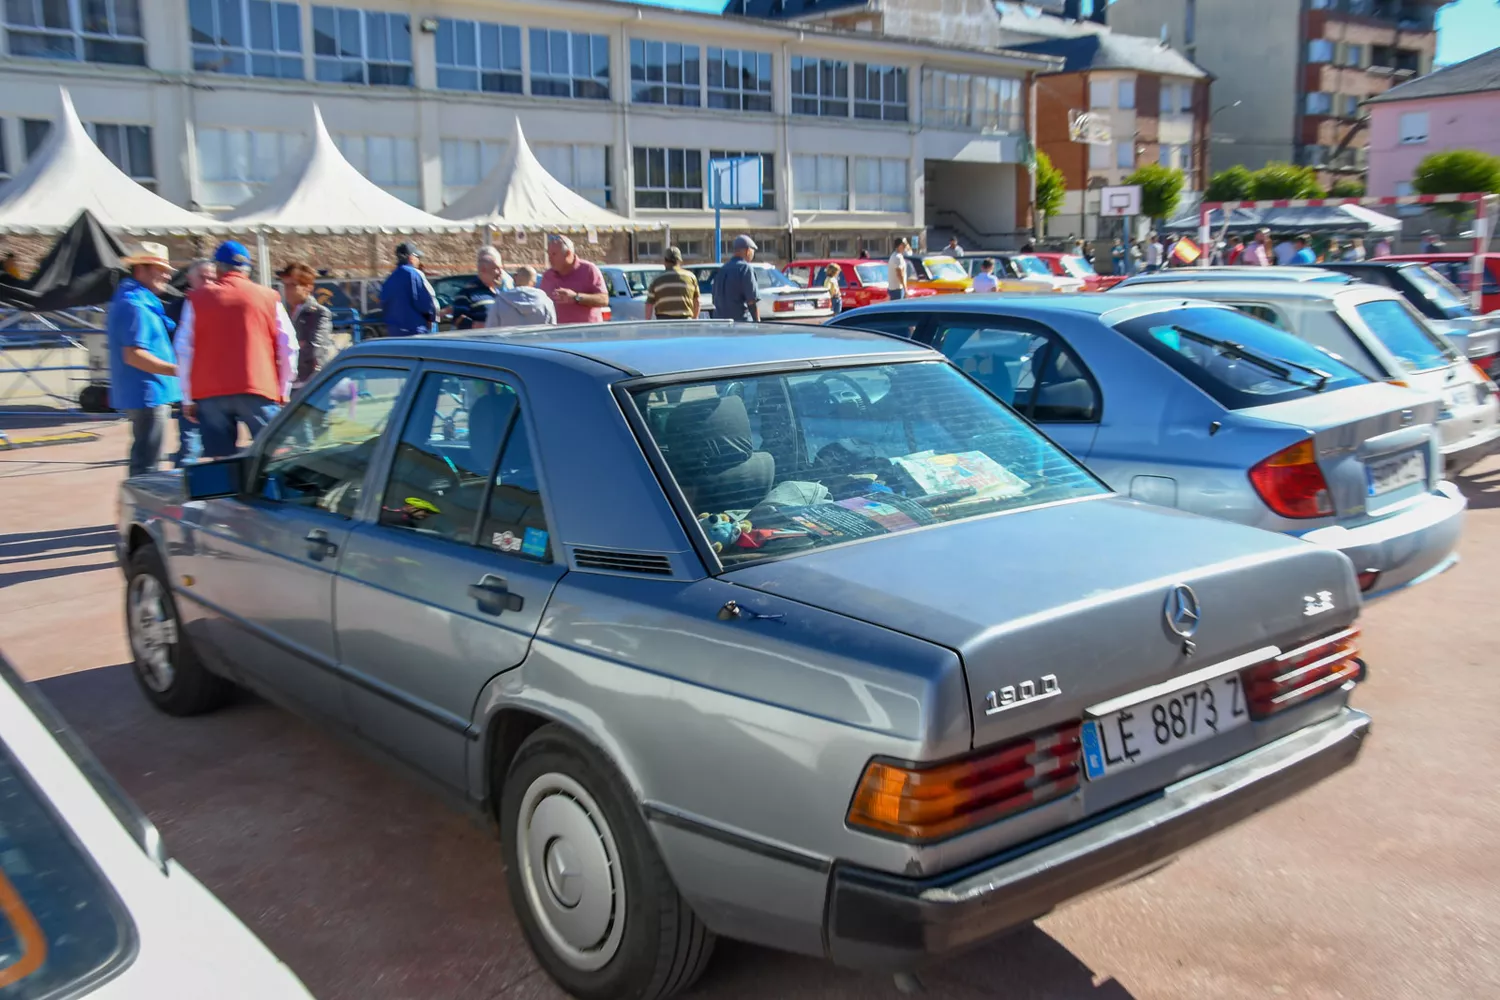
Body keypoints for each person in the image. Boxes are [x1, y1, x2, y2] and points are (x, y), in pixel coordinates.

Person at [177, 240, 296, 459]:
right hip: (258, 386)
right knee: (273, 456)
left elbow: (184, 349)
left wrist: (187, 397)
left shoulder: (197, 299)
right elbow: (289, 346)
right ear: (247, 268)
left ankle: (227, 492)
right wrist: (283, 390)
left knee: (221, 461)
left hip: (210, 391)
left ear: (218, 268)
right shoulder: (269, 297)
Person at [106, 242, 179, 477]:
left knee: (146, 460)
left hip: (149, 392)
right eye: (161, 269)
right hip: (148, 394)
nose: (167, 275)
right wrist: (178, 371)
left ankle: (142, 509)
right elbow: (134, 355)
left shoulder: (136, 301)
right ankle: (143, 511)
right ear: (141, 270)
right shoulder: (135, 305)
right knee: (147, 466)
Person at [166, 259, 213, 467]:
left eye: (212, 277)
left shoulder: (224, 306)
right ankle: (181, 493)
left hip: (220, 389)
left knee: (222, 448)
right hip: (188, 388)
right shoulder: (174, 310)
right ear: (189, 279)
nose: (208, 282)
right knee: (190, 446)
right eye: (203, 277)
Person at [278, 262, 334, 392]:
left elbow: (314, 348)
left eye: (292, 285)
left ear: (308, 287)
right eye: (285, 285)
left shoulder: (319, 313)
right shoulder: (281, 311)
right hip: (285, 384)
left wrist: (288, 349)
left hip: (309, 384)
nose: (287, 290)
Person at [540, 234, 609, 324]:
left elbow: (604, 300)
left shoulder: (589, 270)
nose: (550, 258)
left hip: (587, 333)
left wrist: (576, 297)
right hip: (558, 334)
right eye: (548, 254)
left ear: (568, 254)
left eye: (554, 254)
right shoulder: (548, 276)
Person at [449, 246, 514, 330]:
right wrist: (489, 326)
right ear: (483, 269)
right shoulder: (467, 293)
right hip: (479, 341)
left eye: (501, 268)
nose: (500, 273)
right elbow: (458, 321)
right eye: (497, 268)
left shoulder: (499, 293)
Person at [379, 242, 437, 336]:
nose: (419, 260)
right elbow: (425, 303)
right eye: (417, 257)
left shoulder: (390, 278)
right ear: (411, 258)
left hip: (394, 331)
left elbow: (383, 301)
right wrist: (431, 318)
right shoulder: (414, 274)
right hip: (415, 330)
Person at [711, 234, 761, 322]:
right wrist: (757, 323)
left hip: (720, 323)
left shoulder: (722, 269)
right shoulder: (746, 268)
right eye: (753, 251)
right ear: (748, 251)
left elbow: (714, 298)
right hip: (740, 324)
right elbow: (751, 301)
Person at [487, 266, 557, 327]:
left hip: (507, 342)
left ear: (514, 278)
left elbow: (490, 330)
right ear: (534, 283)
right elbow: (552, 332)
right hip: (538, 341)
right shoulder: (546, 302)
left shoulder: (500, 301)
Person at [645, 246, 700, 320]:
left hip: (664, 322)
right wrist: (695, 319)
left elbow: (649, 305)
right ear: (680, 260)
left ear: (665, 261)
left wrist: (647, 323)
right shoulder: (691, 277)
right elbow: (697, 301)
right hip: (686, 322)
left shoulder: (657, 280)